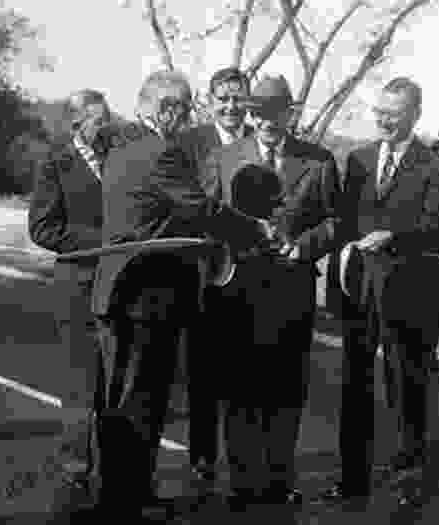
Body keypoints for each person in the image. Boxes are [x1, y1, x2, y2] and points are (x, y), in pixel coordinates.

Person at [89, 70, 274, 520]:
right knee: (142, 403)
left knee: (119, 401)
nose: (187, 117)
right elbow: (200, 209)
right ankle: (130, 500)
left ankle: (119, 493)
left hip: (116, 292)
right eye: (185, 107)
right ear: (166, 109)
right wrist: (255, 229)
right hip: (147, 296)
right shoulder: (160, 153)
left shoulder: (120, 148)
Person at [199, 74, 341, 509]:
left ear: (289, 115)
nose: (265, 122)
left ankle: (278, 481)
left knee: (285, 388)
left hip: (292, 290)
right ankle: (243, 482)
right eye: (258, 113)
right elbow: (204, 217)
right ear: (249, 113)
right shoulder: (222, 159)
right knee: (240, 388)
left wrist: (304, 247)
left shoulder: (319, 161)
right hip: (236, 292)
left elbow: (337, 221)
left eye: (274, 113)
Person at [321, 77, 439, 508]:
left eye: (393, 113)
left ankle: (408, 481)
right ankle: (352, 479)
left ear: (415, 115)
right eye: (378, 111)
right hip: (359, 293)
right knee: (354, 386)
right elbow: (341, 224)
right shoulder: (358, 160)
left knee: (407, 387)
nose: (382, 119)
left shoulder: (434, 166)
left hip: (409, 298)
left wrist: (394, 235)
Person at [28, 89, 110, 497]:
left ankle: (117, 471)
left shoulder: (119, 160)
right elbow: (42, 227)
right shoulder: (56, 162)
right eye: (98, 119)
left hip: (119, 288)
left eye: (107, 117)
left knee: (115, 385)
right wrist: (97, 242)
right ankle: (76, 466)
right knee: (81, 384)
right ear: (77, 124)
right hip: (77, 286)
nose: (106, 125)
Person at [179, 66, 255, 485]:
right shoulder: (190, 143)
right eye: (223, 99)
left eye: (238, 99)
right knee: (203, 367)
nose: (230, 106)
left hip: (249, 270)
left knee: (244, 369)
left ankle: (244, 459)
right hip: (203, 270)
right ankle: (202, 455)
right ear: (210, 101)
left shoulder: (255, 142)